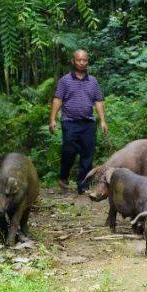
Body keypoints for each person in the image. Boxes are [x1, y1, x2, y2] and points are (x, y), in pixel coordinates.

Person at [49, 49, 109, 193]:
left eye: (85, 60)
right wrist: (52, 119)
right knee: (69, 150)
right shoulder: (65, 80)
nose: (82, 63)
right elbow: (58, 99)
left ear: (87, 61)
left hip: (88, 123)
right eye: (79, 60)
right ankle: (63, 176)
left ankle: (83, 186)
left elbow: (99, 101)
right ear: (73, 61)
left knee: (87, 155)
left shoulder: (93, 81)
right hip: (70, 122)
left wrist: (102, 120)